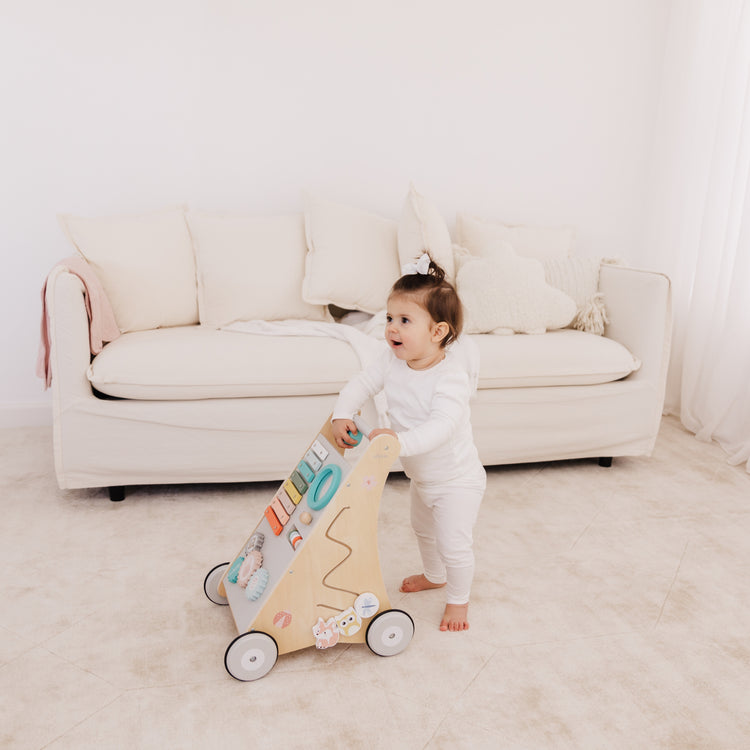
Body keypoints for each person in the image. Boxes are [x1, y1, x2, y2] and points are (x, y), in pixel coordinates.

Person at [331, 253, 485, 632]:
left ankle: (458, 601)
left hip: (457, 481)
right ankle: (434, 576)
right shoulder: (391, 360)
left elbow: (442, 426)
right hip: (423, 478)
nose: (391, 329)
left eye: (404, 321)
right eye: (389, 319)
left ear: (438, 332)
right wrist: (342, 413)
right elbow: (362, 384)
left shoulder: (450, 377)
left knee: (453, 544)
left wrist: (397, 441)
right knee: (422, 530)